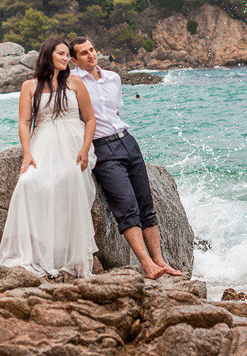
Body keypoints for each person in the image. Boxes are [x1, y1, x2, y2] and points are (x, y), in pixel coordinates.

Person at [69, 37, 182, 279]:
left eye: (92, 49)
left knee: (146, 205)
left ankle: (161, 261)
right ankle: (147, 265)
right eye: (84, 53)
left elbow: (115, 111)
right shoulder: (73, 83)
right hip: (102, 149)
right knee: (127, 208)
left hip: (128, 141)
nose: (91, 55)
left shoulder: (113, 78)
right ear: (74, 60)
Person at [0, 37, 98, 277]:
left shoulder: (74, 82)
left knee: (68, 178)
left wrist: (85, 149)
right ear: (48, 56)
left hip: (73, 144)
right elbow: (24, 123)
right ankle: (33, 252)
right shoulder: (29, 86)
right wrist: (27, 153)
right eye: (61, 54)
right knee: (28, 182)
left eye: (67, 55)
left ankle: (68, 253)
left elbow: (90, 119)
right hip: (43, 144)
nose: (66, 59)